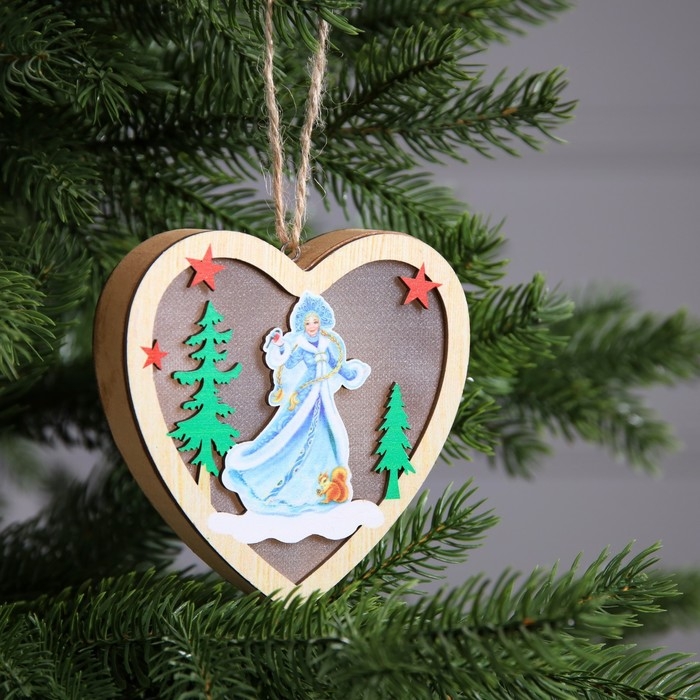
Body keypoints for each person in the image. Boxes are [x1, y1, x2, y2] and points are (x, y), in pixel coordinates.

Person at [221, 292, 371, 516]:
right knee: (292, 429)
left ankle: (322, 483)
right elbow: (288, 363)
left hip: (323, 394)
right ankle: (276, 476)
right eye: (308, 323)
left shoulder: (328, 344)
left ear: (321, 323)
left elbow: (337, 364)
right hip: (306, 392)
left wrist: (351, 374)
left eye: (315, 322)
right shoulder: (301, 345)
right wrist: (280, 345)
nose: (312, 326)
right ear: (302, 324)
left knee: (326, 431)